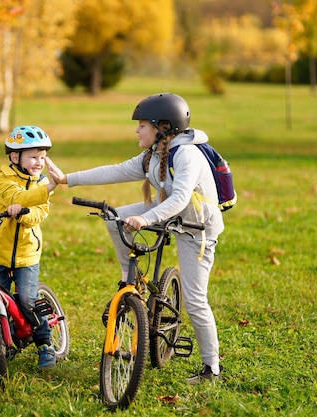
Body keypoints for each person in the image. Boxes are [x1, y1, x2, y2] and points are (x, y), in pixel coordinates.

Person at [47, 93, 224, 383]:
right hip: (170, 213)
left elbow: (179, 198)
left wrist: (145, 218)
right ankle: (129, 278)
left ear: (162, 126)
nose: (137, 130)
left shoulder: (187, 154)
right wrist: (68, 178)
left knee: (195, 300)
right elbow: (116, 171)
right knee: (114, 217)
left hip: (196, 230)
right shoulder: (154, 154)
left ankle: (212, 368)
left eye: (142, 124)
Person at [0, 125, 58, 369]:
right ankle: (3, 342)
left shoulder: (43, 182)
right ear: (15, 157)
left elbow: (38, 212)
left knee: (27, 300)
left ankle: (44, 342)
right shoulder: (3, 179)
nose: (39, 162)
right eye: (34, 156)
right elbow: (14, 197)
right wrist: (18, 204)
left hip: (27, 254)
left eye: (43, 157)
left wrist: (24, 213)